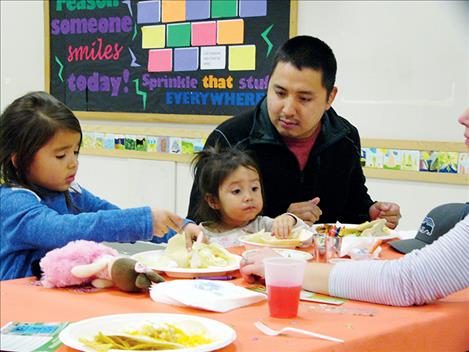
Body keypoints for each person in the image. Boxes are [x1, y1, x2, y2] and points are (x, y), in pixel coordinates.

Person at [239, 108, 469, 307]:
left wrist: (283, 268)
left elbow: (406, 282)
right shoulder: (238, 134)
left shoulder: (345, 136)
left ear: (329, 97)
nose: (462, 117)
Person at [187, 35, 401, 228]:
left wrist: (372, 213)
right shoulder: (232, 137)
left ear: (330, 97)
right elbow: (199, 222)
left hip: (319, 265)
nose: (288, 109)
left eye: (304, 98)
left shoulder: (344, 137)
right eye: (280, 93)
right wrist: (280, 220)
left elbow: (352, 208)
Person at [0, 91, 201, 280]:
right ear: (19, 160)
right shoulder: (13, 200)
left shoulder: (72, 192)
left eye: (76, 152)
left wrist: (181, 228)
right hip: (18, 303)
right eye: (61, 155)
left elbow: (111, 213)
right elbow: (60, 229)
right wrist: (144, 220)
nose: (73, 163)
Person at [190, 146, 308, 248]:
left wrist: (290, 219)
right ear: (213, 201)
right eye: (237, 191)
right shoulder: (201, 234)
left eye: (254, 188)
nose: (249, 197)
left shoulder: (264, 226)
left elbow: (308, 237)